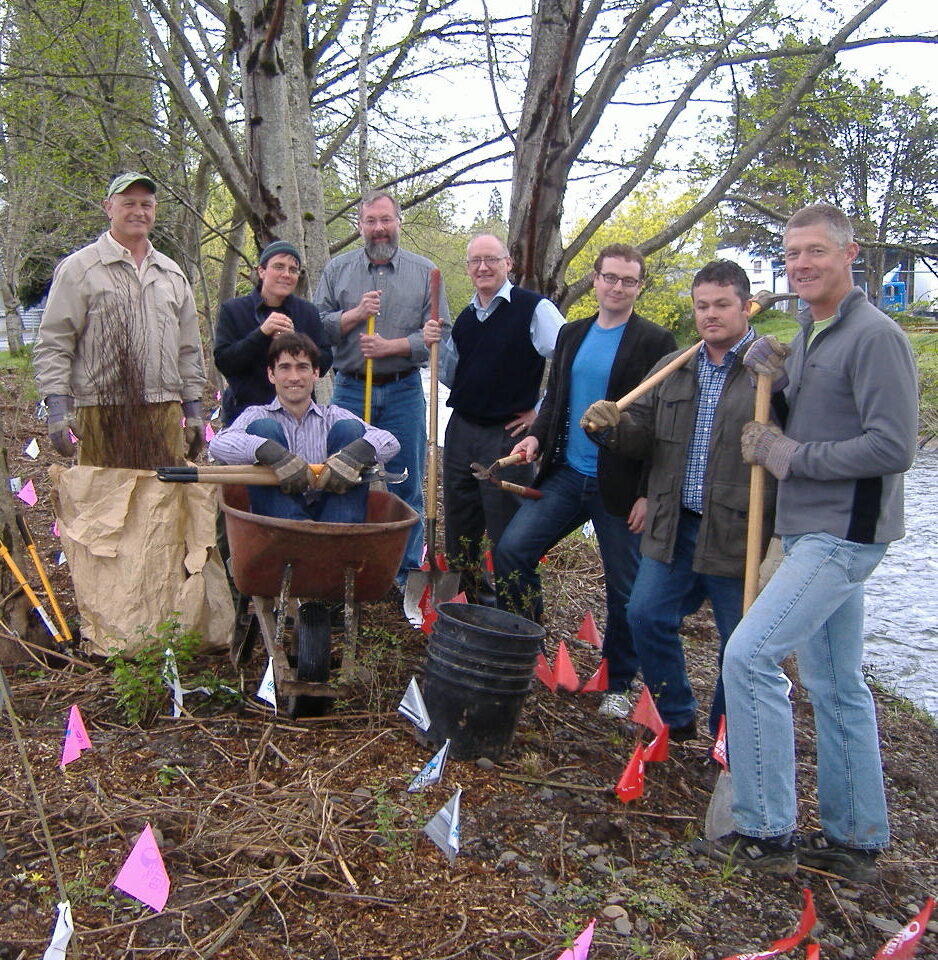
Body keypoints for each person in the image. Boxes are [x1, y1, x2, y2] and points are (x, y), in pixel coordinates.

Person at [696, 204, 918, 879]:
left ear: (851, 255)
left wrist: (791, 456)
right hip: (806, 527)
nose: (802, 265)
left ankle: (765, 830)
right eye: (792, 254)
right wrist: (779, 379)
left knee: (749, 655)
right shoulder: (811, 331)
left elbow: (894, 445)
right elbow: (813, 411)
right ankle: (856, 840)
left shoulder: (876, 336)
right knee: (834, 682)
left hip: (841, 533)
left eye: (816, 251)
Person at [581, 260, 774, 741]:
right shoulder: (676, 367)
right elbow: (640, 435)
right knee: (644, 613)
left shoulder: (771, 370)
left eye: (722, 304)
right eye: (702, 305)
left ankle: (727, 741)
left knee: (741, 644)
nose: (711, 314)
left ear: (746, 306)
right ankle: (675, 714)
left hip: (738, 529)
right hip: (674, 522)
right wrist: (614, 428)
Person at [494, 243, 676, 718]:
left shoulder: (655, 343)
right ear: (594, 279)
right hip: (568, 475)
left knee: (626, 588)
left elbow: (665, 429)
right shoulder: (573, 334)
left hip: (620, 486)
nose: (617, 287)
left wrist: (648, 494)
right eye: (610, 277)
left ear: (639, 286)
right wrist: (535, 438)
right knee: (513, 549)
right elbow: (555, 400)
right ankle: (524, 643)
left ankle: (618, 682)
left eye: (628, 280)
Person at [314, 190, 450, 584]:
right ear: (360, 226)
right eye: (371, 221)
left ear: (398, 223)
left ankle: (406, 573)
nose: (379, 229)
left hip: (404, 391)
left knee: (405, 480)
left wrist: (394, 346)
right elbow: (316, 324)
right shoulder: (337, 270)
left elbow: (442, 332)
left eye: (386, 220)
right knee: (343, 476)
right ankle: (346, 565)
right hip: (351, 390)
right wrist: (356, 315)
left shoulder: (426, 272)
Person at [422, 233, 564, 604]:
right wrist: (432, 345)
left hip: (507, 435)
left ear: (508, 263)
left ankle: (518, 613)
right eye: (475, 261)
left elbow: (570, 359)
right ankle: (465, 605)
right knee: (460, 523)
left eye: (491, 259)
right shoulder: (467, 318)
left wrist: (541, 412)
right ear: (467, 268)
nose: (483, 267)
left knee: (510, 531)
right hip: (461, 431)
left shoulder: (534, 309)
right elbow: (455, 375)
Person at [34, 172, 206, 467]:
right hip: (101, 410)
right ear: (108, 208)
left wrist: (194, 410)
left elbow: (189, 349)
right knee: (105, 506)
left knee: (163, 505)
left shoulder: (171, 274)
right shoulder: (80, 269)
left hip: (164, 410)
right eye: (128, 203)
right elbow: (54, 342)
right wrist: (58, 407)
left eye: (146, 204)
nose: (138, 212)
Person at [209, 332, 399, 523]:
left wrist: (359, 453)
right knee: (263, 429)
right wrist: (266, 451)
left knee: (351, 430)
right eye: (285, 368)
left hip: (336, 524)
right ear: (271, 374)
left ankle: (336, 533)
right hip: (279, 529)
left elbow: (390, 441)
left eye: (302, 368)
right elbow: (218, 445)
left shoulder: (333, 416)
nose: (294, 377)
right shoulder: (257, 414)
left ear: (315, 373)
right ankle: (296, 527)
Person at [213, 240, 333, 426]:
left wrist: (297, 344)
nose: (286, 274)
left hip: (298, 416)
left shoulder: (307, 312)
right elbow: (225, 362)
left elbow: (324, 362)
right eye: (279, 267)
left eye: (293, 270)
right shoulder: (234, 310)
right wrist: (261, 334)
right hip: (245, 415)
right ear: (261, 271)